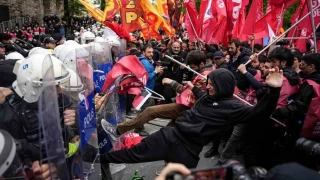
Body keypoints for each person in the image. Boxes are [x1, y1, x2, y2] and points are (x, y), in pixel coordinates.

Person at [99, 67, 283, 168]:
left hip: (187, 153)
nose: (208, 87)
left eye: (212, 84)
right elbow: (198, 91)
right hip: (168, 136)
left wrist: (274, 91)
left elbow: (259, 113)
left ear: (223, 86)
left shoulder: (235, 108)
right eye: (208, 83)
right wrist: (186, 85)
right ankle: (97, 159)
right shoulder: (206, 97)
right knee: (130, 155)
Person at [102, 50, 213, 137]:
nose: (191, 69)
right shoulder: (203, 73)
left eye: (193, 67)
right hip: (191, 108)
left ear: (202, 63)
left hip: (192, 110)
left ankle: (117, 130)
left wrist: (172, 83)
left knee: (151, 111)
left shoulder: (205, 76)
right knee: (168, 134)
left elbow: (196, 95)